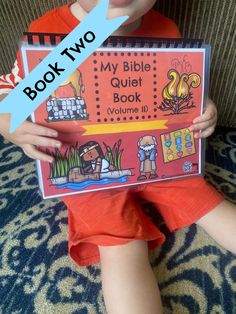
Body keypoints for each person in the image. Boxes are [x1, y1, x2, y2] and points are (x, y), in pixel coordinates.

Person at [0, 1, 236, 313]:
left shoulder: (166, 29)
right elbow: (11, 96)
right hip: (86, 172)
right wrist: (8, 122)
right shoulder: (48, 32)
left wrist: (203, 105)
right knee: (121, 247)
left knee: (206, 202)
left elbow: (179, 85)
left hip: (160, 159)